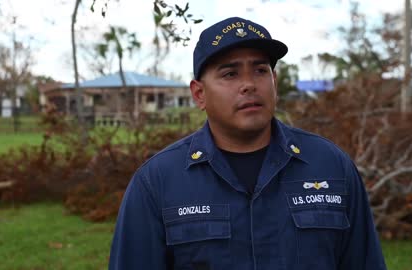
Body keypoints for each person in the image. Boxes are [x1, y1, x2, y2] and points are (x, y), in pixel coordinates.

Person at [108, 17, 387, 270]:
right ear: (199, 94)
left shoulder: (331, 166)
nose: (249, 84)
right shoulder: (158, 181)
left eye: (260, 71)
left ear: (274, 81)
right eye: (230, 74)